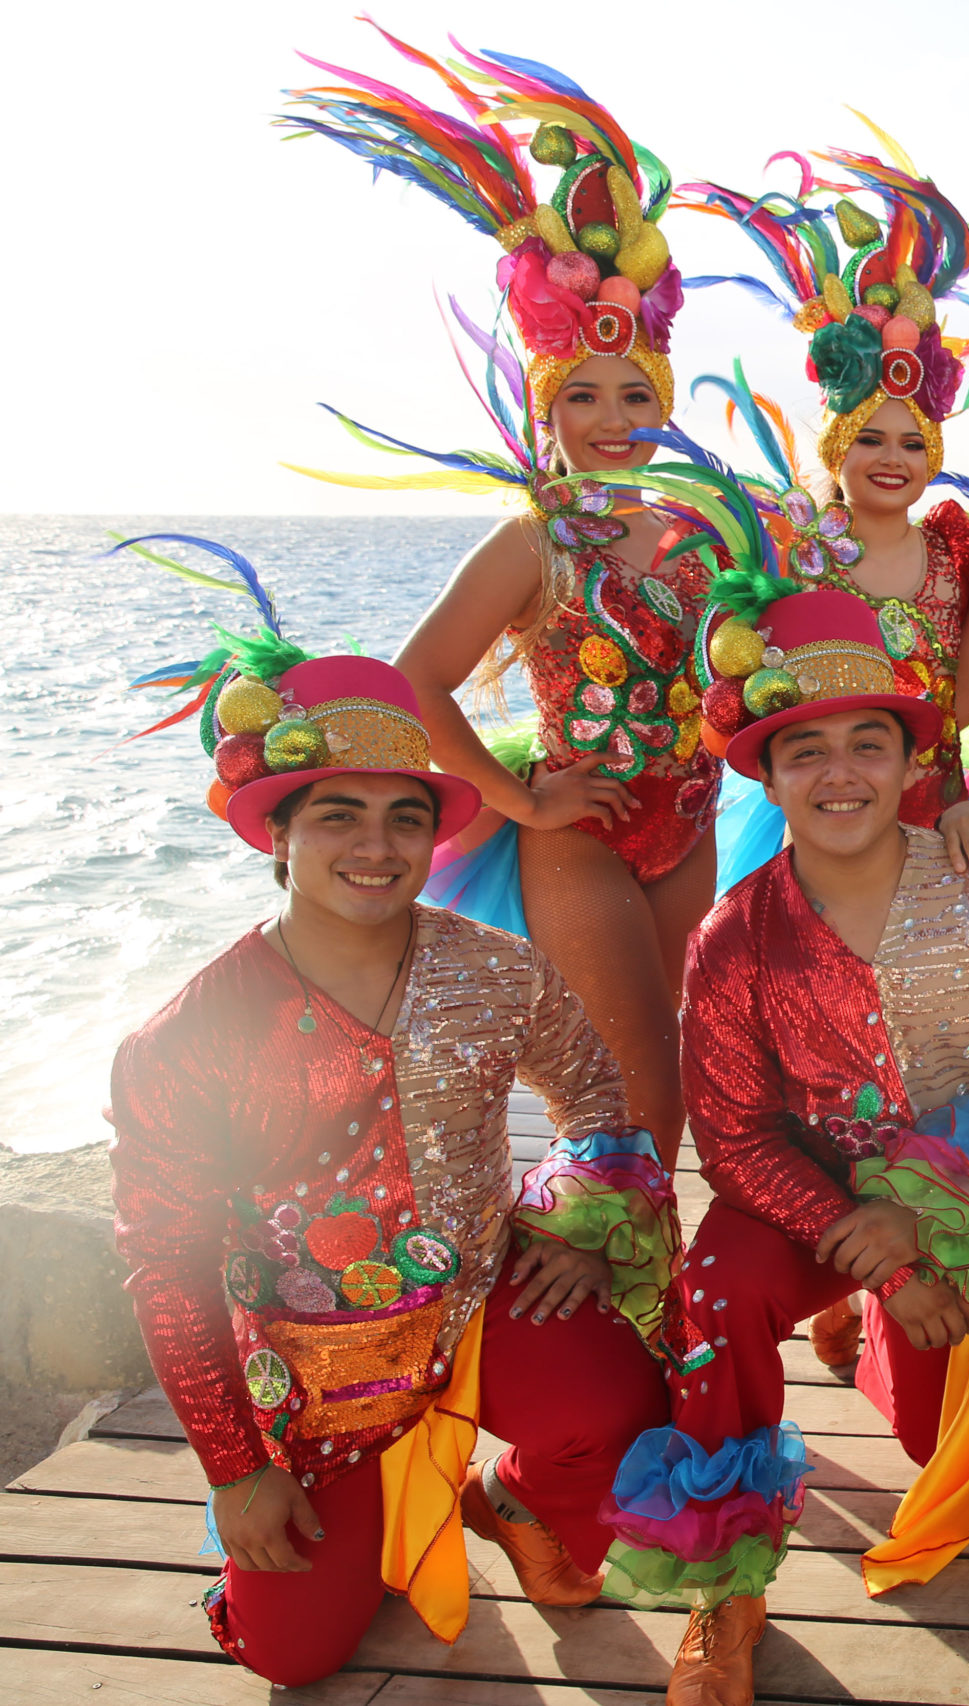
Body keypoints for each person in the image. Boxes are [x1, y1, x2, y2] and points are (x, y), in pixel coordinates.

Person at [106, 558, 677, 1687]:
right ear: (276, 835)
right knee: (297, 1655)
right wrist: (232, 1466)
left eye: (404, 818)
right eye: (340, 817)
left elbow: (598, 1098)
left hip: (474, 1302)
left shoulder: (495, 971)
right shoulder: (182, 1039)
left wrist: (572, 1221)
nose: (376, 846)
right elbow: (167, 1270)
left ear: (433, 838)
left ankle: (507, 1496)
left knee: (626, 1408)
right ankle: (335, 1518)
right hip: (305, 1375)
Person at [602, 586, 969, 1704]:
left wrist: (926, 1223)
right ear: (767, 775)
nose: (839, 773)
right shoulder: (733, 935)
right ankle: (722, 1591)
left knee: (929, 1438)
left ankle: (875, 1323)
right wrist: (862, 1236)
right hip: (801, 1200)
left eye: (867, 743)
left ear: (909, 763)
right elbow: (731, 1136)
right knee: (717, 1292)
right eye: (805, 748)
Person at [284, 30, 713, 1167]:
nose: (613, 417)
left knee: (678, 1070)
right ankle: (632, 1313)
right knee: (635, 1101)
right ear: (547, 408)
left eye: (635, 393)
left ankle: (637, 1300)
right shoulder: (535, 537)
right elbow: (413, 678)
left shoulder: (711, 531)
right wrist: (519, 802)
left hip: (698, 820)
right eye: (585, 395)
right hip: (587, 831)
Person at [684, 132, 969, 891]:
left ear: (931, 457)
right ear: (835, 449)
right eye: (869, 439)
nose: (891, 459)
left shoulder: (952, 550)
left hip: (936, 814)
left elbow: (959, 707)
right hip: (828, 816)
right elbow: (747, 689)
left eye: (910, 443)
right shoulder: (796, 556)